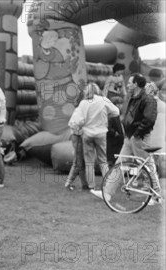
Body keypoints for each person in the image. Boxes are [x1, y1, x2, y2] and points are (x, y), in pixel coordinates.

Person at [102, 73, 159, 202]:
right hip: (130, 136)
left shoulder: (148, 99)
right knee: (120, 164)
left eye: (129, 82)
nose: (126, 85)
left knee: (146, 165)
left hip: (139, 137)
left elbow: (149, 119)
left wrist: (137, 134)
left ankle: (156, 195)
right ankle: (107, 193)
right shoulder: (134, 97)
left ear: (136, 84)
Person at [68, 82, 120, 193]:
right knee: (103, 161)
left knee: (89, 162)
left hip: (87, 135)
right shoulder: (103, 100)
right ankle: (107, 185)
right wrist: (106, 114)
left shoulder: (83, 103)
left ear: (87, 91)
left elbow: (78, 121)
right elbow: (116, 112)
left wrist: (83, 124)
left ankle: (91, 186)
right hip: (101, 134)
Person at [65, 89, 89, 191]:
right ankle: (68, 183)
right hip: (77, 135)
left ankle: (85, 184)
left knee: (81, 161)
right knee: (78, 161)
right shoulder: (80, 109)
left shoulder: (82, 108)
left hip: (78, 135)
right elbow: (74, 124)